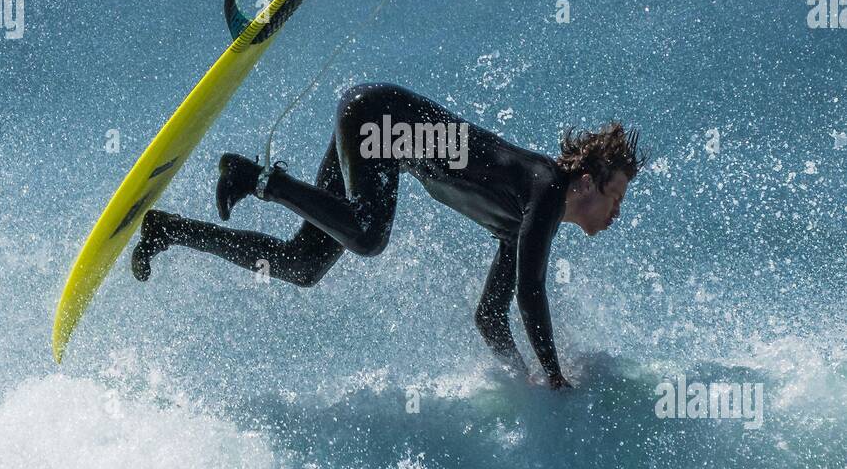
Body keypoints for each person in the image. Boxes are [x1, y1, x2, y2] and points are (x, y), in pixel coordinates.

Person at [132, 82, 644, 387]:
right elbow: (530, 294)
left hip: (381, 133)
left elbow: (490, 316)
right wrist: (555, 378)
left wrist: (521, 376)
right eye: (615, 196)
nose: (616, 213)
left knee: (303, 264)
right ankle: (257, 178)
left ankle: (168, 230)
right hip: (379, 117)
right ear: (584, 181)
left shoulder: (524, 222)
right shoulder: (547, 187)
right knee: (369, 235)